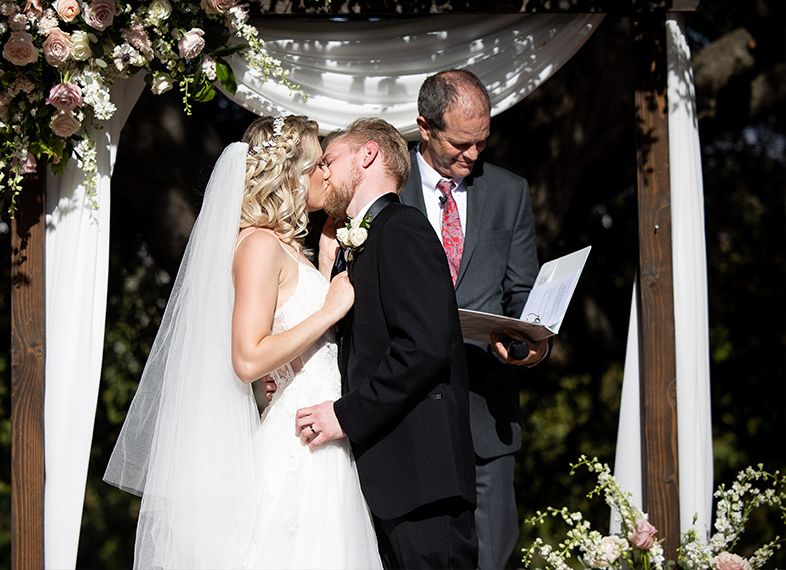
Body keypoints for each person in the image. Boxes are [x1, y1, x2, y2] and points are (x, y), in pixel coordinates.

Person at [104, 115, 382, 569]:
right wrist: (331, 309)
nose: (326, 174)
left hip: (322, 434)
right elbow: (248, 357)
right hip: (299, 446)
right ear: (290, 175)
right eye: (317, 166)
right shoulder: (257, 245)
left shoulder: (286, 245)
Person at [295, 117, 478, 569]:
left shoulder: (402, 228)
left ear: (368, 155)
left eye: (329, 160)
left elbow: (425, 346)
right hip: (389, 481)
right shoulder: (359, 241)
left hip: (422, 480)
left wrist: (345, 415)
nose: (321, 172)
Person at [402, 68, 549, 570]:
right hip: (403, 408)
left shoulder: (509, 191)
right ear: (424, 127)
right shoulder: (385, 186)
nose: (473, 155)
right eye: (461, 144)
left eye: (482, 142)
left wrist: (530, 341)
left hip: (487, 405)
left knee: (491, 556)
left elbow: (523, 291)